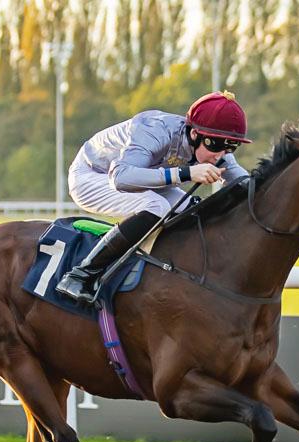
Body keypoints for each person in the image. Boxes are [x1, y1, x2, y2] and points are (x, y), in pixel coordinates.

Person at [55, 91, 252, 304]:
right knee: (156, 206)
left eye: (230, 146)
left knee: (196, 209)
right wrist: (185, 173)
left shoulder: (214, 148)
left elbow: (246, 185)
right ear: (195, 134)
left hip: (142, 178)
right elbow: (121, 178)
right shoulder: (154, 130)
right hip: (92, 176)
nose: (221, 155)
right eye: (216, 145)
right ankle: (80, 275)